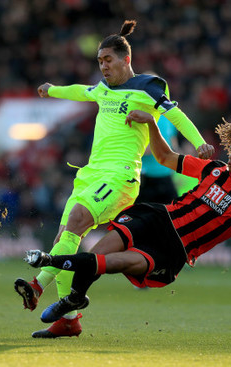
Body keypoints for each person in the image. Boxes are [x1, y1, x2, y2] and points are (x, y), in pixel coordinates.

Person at [14, 20, 215, 338]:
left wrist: (199, 141)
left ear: (126, 59)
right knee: (64, 238)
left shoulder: (149, 86)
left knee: (77, 221)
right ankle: (70, 320)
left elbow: (176, 114)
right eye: (99, 61)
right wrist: (52, 90)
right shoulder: (104, 88)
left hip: (121, 177)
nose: (103, 66)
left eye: (108, 60)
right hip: (90, 175)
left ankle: (37, 285)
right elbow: (84, 92)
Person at [22, 111, 231, 330]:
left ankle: (49, 265)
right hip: (158, 218)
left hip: (174, 250)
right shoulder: (213, 169)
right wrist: (151, 124)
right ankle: (71, 299)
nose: (230, 156)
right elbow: (164, 156)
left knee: (115, 263)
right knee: (98, 253)